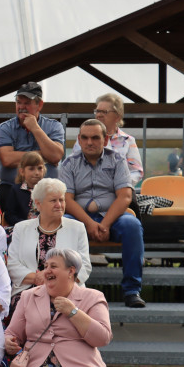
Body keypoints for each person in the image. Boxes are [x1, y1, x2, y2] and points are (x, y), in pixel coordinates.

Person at [61, 119, 146, 308]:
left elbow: (124, 197)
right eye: (85, 138)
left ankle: (132, 291)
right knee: (64, 224)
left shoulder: (117, 161)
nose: (89, 142)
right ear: (79, 140)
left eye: (95, 137)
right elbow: (66, 200)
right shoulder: (68, 164)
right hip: (80, 218)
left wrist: (105, 223)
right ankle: (68, 289)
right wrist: (90, 224)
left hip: (112, 217)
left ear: (105, 139)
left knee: (133, 225)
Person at [7, 178, 91, 317]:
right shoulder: (21, 228)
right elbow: (12, 264)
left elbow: (85, 266)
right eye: (53, 201)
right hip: (29, 290)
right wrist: (36, 278)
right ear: (38, 204)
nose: (59, 205)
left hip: (67, 290)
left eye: (62, 200)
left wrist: (56, 280)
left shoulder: (77, 228)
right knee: (27, 311)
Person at [0, 82, 65, 196]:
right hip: (12, 189)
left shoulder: (54, 126)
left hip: (46, 190)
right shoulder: (5, 128)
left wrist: (36, 129)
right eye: (18, 102)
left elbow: (55, 156)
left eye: (27, 103)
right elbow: (7, 159)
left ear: (39, 105)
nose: (21, 107)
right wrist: (43, 155)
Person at [71, 93, 144, 185]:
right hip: (88, 191)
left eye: (104, 112)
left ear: (117, 116)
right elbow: (74, 166)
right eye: (97, 111)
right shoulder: (83, 139)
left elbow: (137, 171)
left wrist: (121, 184)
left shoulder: (127, 140)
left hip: (119, 192)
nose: (99, 115)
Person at [1, 151, 45, 228]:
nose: (37, 172)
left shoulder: (47, 190)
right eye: (31, 169)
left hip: (44, 227)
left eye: (40, 168)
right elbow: (9, 215)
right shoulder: (15, 190)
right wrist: (24, 224)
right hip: (22, 227)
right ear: (22, 171)